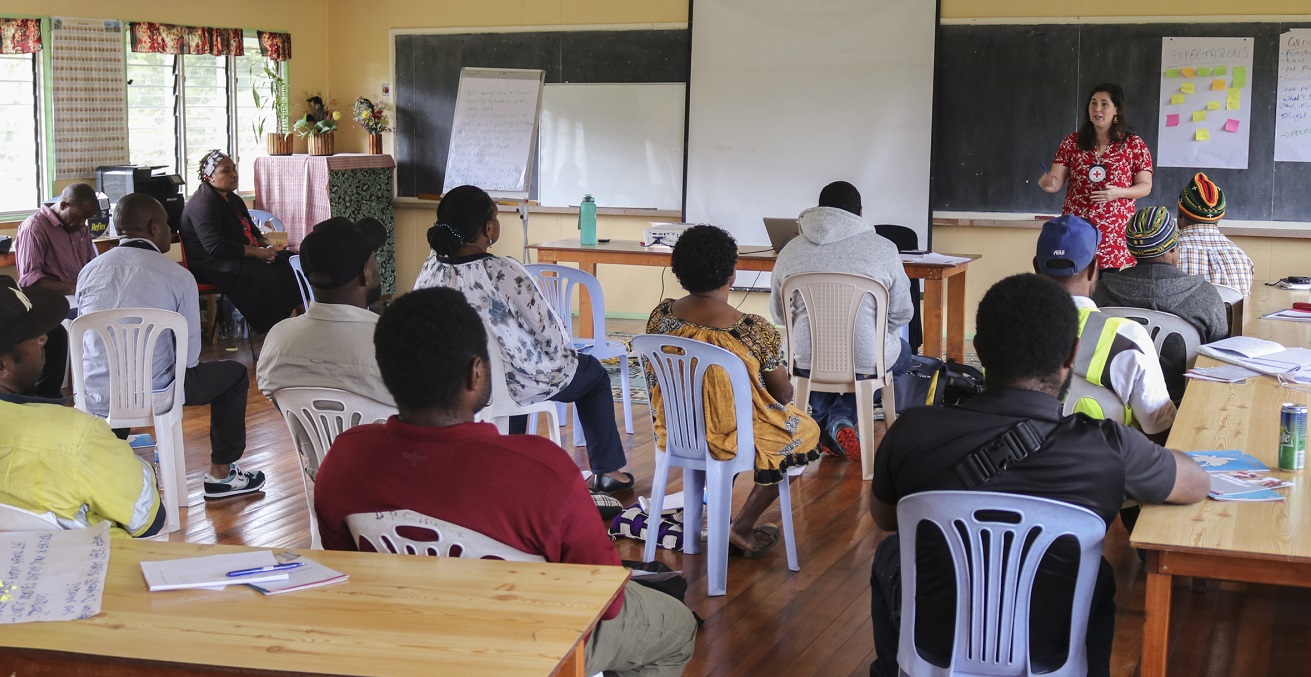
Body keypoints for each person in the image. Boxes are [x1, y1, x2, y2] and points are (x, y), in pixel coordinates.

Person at [313, 287, 698, 676]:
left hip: (406, 640)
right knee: (677, 627)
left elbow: (348, 573)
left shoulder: (346, 459)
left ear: (386, 371)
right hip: (531, 648)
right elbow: (607, 602)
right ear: (476, 373)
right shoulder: (540, 470)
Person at [867, 273, 1209, 677]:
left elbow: (886, 519)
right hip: (1047, 658)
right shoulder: (1106, 446)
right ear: (1072, 356)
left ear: (979, 350)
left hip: (937, 656)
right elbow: (1196, 483)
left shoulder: (911, 431)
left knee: (892, 553)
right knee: (1094, 571)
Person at [412, 184, 632, 494]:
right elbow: (546, 328)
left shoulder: (431, 268)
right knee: (592, 374)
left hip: (450, 380)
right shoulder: (502, 271)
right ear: (489, 227)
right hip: (508, 382)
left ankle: (502, 461)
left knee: (507, 375)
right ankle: (608, 471)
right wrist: (565, 356)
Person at [76, 194, 266, 500]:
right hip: (157, 395)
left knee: (120, 384)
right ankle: (222, 475)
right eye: (166, 224)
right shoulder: (178, 276)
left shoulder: (89, 271)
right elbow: (188, 359)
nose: (171, 230)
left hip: (96, 394)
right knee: (234, 376)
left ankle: (110, 464)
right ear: (153, 228)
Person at [651, 225, 820, 557]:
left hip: (676, 430)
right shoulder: (752, 330)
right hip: (732, 435)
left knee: (720, 415)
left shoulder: (661, 318)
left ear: (679, 271)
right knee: (805, 431)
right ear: (732, 273)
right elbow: (782, 395)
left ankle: (710, 516)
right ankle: (740, 528)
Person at [0, 277, 165, 538]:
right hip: (92, 572)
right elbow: (149, 518)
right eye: (33, 336)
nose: (44, 338)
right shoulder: (76, 436)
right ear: (2, 367)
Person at [769, 181, 913, 459]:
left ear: (819, 209)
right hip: (866, 358)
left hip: (804, 359)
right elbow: (902, 313)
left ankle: (830, 420)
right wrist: (874, 334)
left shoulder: (790, 251)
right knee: (903, 355)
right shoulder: (884, 249)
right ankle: (838, 419)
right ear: (859, 212)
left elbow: (779, 314)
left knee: (816, 361)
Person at [1033, 214, 1175, 443]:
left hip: (1024, 471)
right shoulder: (1127, 338)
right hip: (1111, 472)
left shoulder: (1009, 331)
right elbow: (1161, 431)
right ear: (1093, 269)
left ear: (1036, 268)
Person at [1093, 206, 1229, 401]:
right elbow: (1219, 358)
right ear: (1173, 247)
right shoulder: (1205, 296)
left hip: (1112, 406)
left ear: (1131, 249)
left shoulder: (1099, 292)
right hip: (1183, 406)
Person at [258, 216, 392, 407]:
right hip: (378, 436)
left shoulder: (277, 339)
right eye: (373, 260)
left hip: (311, 437)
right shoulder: (391, 342)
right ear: (366, 274)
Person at [180, 150, 302, 333]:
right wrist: (257, 253)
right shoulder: (203, 203)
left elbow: (253, 232)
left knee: (291, 262)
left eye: (234, 169)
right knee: (271, 276)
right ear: (209, 177)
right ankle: (281, 330)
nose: (234, 174)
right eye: (226, 170)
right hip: (215, 265)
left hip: (241, 256)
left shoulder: (233, 199)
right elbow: (216, 247)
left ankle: (303, 319)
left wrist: (267, 246)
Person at [1039, 83, 1154, 272]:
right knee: (1077, 289)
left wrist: (1119, 192)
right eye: (1093, 103)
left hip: (1114, 237)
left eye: (1104, 104)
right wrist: (1047, 182)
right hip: (1076, 233)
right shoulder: (1072, 142)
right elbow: (1054, 183)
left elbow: (1145, 186)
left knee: (1108, 291)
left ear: (1116, 110)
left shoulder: (1134, 144)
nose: (1097, 109)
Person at [1175, 172, 1254, 297]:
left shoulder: (1168, 255)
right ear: (1220, 216)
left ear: (1179, 214)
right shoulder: (1242, 258)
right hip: (1227, 317)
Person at [14, 182, 100, 294]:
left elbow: (92, 266)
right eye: (78, 217)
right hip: (53, 301)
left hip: (83, 296)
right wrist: (74, 288)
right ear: (63, 205)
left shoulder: (80, 228)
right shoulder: (34, 228)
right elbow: (29, 280)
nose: (82, 224)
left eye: (86, 219)